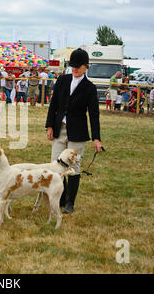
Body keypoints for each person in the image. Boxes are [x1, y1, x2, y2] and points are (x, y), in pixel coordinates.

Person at [45, 48, 102, 214]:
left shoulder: (89, 88)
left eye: (78, 66)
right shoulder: (62, 80)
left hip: (77, 132)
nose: (75, 69)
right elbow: (53, 105)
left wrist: (96, 138)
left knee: (74, 168)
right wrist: (49, 126)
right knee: (57, 166)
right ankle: (61, 198)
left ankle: (70, 202)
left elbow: (94, 114)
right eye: (73, 66)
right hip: (59, 129)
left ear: (86, 67)